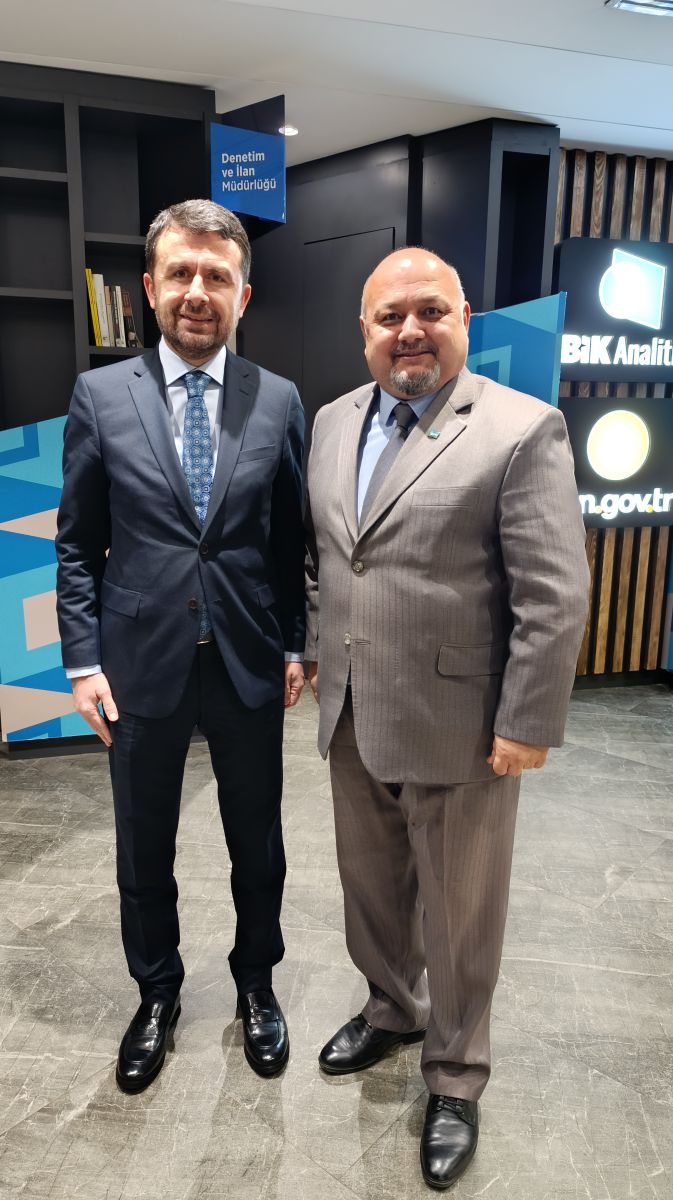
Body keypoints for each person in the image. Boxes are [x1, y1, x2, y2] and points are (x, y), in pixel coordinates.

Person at [304, 247, 589, 1189]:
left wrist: (527, 720)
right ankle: (391, 1008)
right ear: (364, 330)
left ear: (465, 317)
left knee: (461, 913)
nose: (409, 331)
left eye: (429, 311)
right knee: (371, 889)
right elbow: (328, 559)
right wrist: (314, 647)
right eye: (389, 317)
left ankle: (457, 1074)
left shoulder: (520, 428)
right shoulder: (332, 421)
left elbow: (553, 594)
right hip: (354, 713)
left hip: (463, 723)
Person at [56, 200, 305, 1093]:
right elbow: (78, 544)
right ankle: (156, 992)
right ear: (151, 287)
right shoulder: (99, 397)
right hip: (138, 665)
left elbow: (290, 539)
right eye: (181, 274)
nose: (198, 291)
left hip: (246, 658)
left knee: (258, 844)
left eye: (217, 276)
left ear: (244, 293)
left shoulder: (278, 399)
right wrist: (83, 661)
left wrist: (296, 643)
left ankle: (256, 984)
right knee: (142, 847)